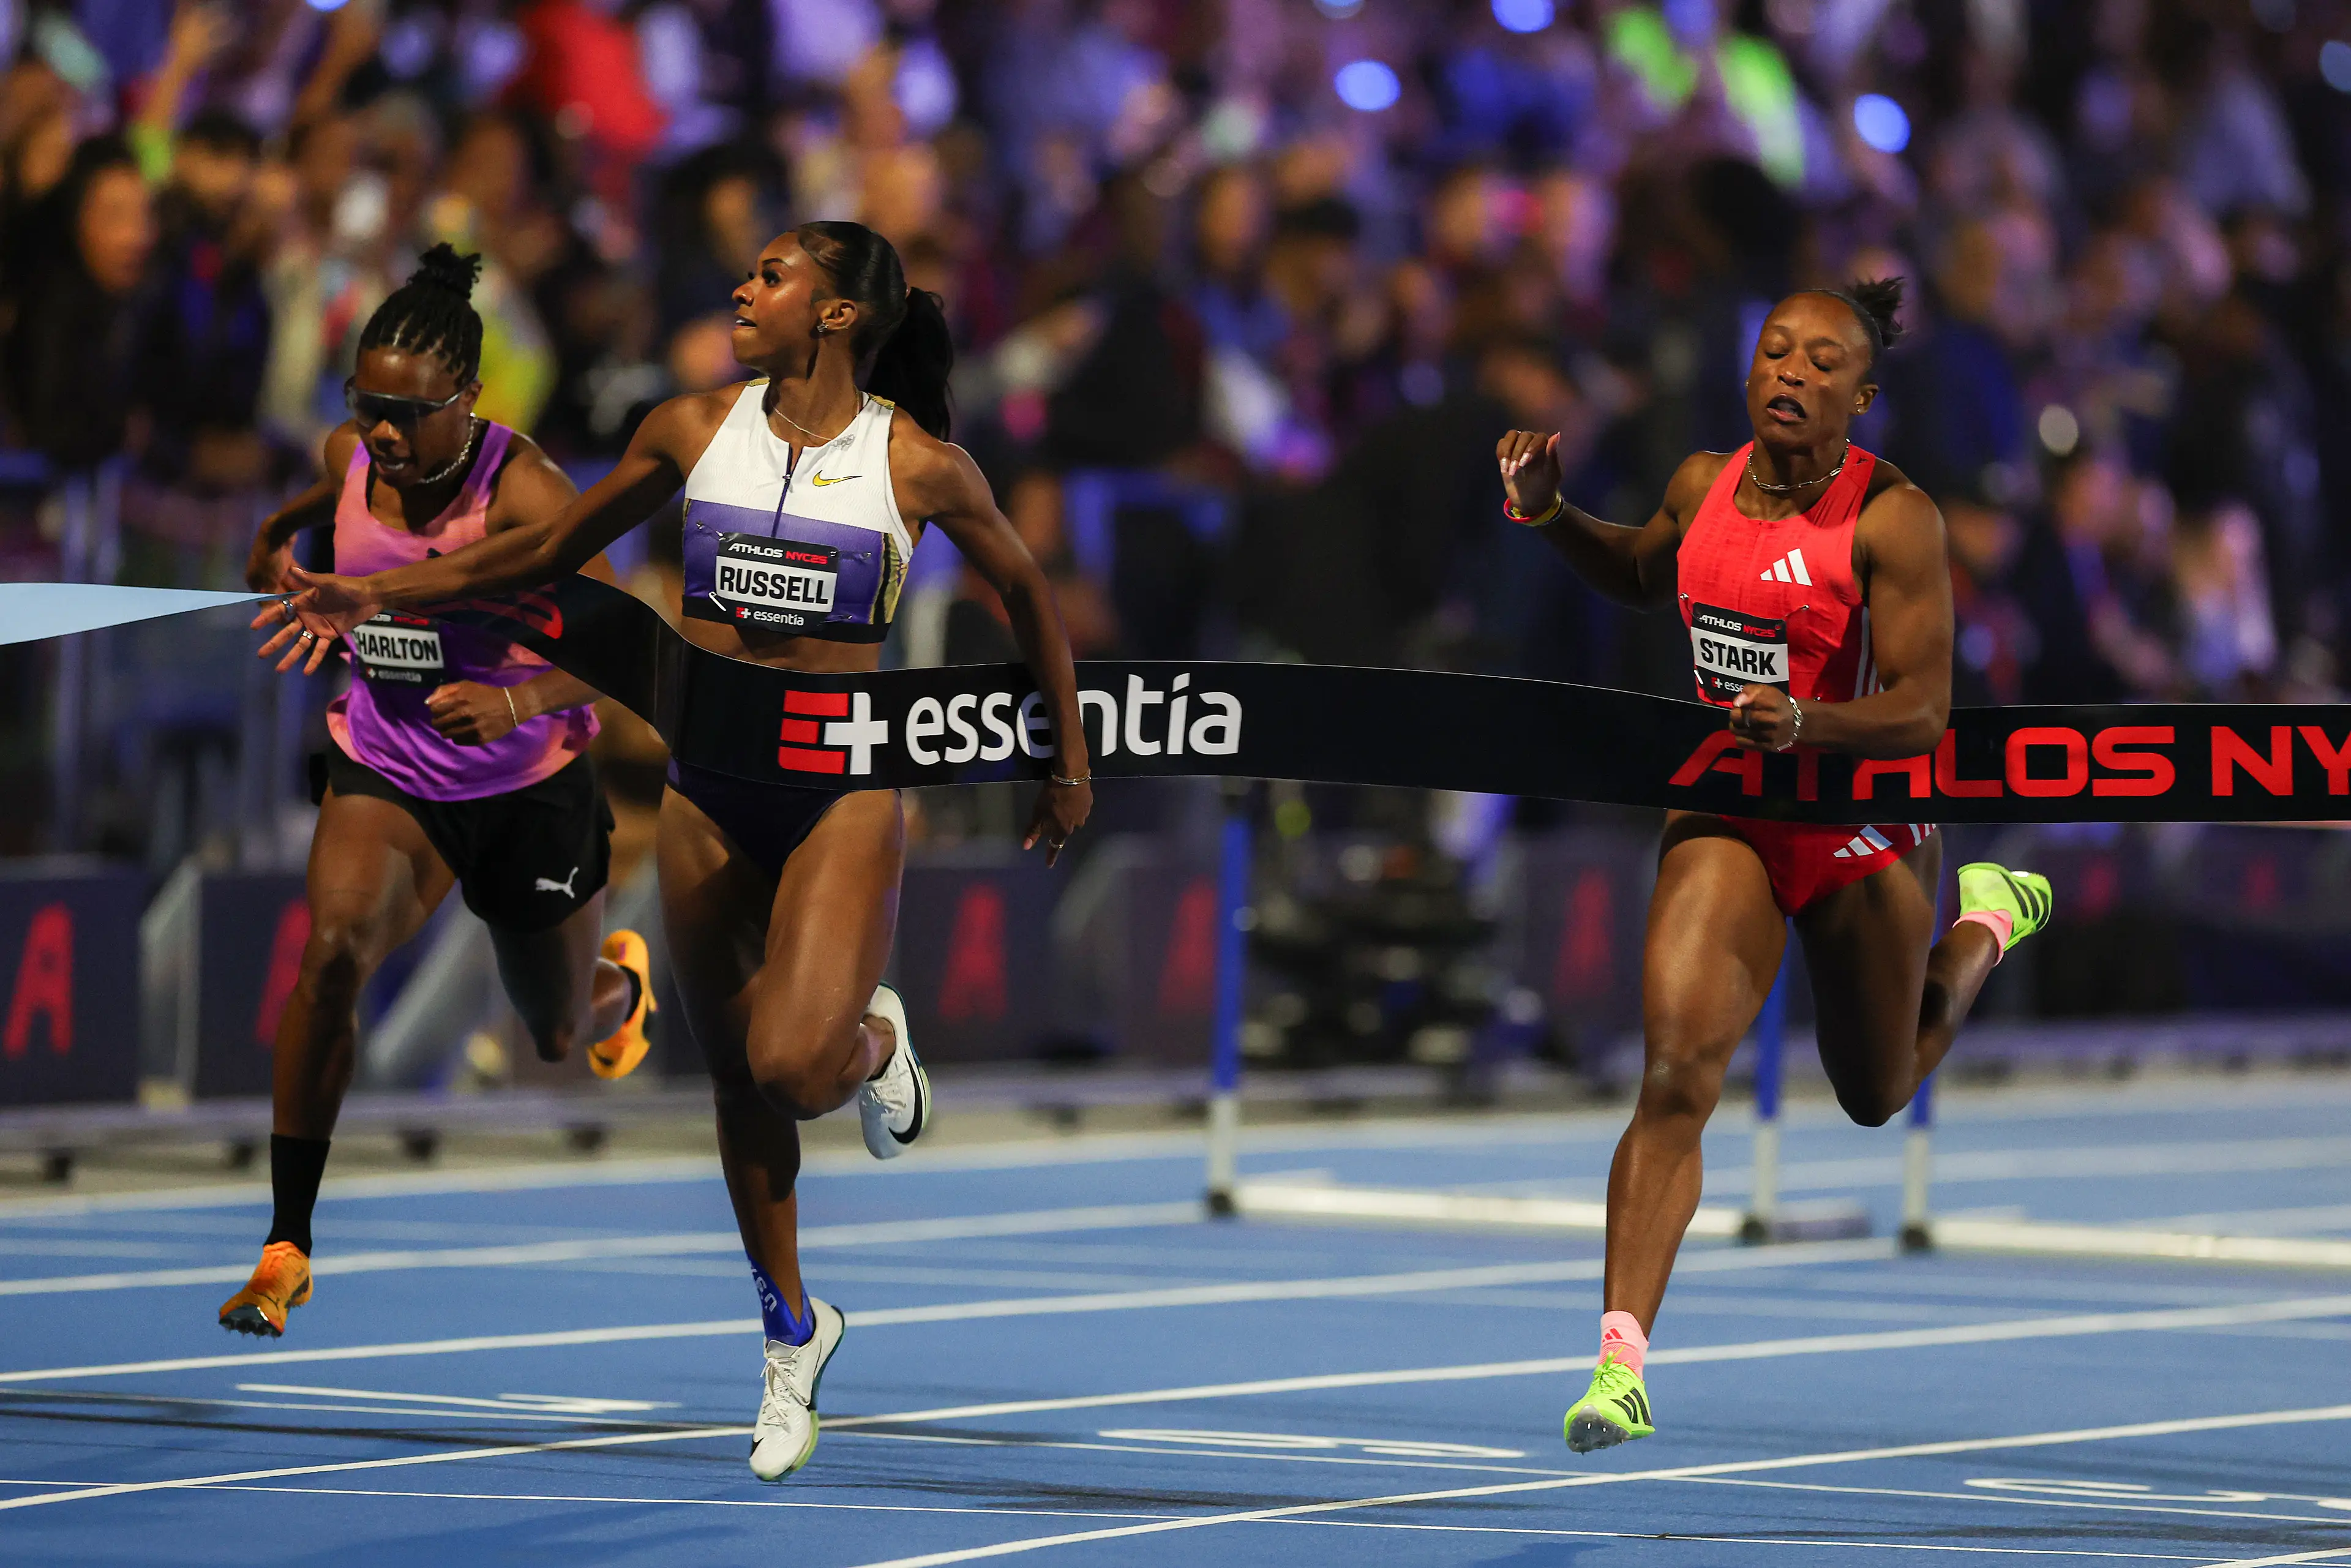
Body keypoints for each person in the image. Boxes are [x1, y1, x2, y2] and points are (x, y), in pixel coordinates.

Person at [259, 222, 1095, 1482]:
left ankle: (872, 1035)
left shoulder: (915, 463)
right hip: (711, 788)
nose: (741, 288)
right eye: (747, 268)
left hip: (841, 792)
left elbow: (1030, 592)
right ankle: (789, 1335)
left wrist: (1067, 760)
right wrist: (377, 593)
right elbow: (540, 555)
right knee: (735, 1086)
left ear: (837, 316)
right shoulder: (689, 428)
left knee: (797, 1063)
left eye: (771, 276)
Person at [1494, 281, 2053, 1454]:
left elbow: (1924, 709)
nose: (1791, 373)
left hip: (1862, 822)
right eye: (1775, 351)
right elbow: (1647, 573)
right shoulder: (1703, 485)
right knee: (1675, 1075)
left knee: (1876, 1090)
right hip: (1733, 809)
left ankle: (1987, 926)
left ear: (1863, 394)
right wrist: (1554, 519)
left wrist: (1807, 724)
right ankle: (1621, 1365)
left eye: (1822, 362)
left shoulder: (1894, 521)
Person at [221, 246, 656, 1340]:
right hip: (390, 764)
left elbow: (628, 647)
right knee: (331, 956)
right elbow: (331, 493)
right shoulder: (357, 456)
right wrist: (280, 537)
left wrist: (514, 705)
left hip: (527, 783)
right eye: (366, 404)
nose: (380, 432)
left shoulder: (531, 493)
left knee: (554, 1033)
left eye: (407, 415)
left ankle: (619, 991)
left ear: (467, 404)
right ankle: (288, 1243)